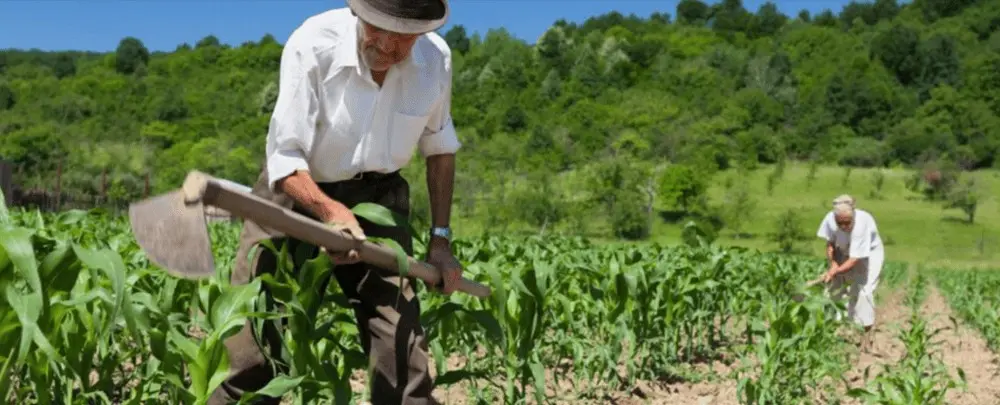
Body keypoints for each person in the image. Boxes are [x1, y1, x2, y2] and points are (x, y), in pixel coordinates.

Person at [208, 0, 462, 403]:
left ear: (423, 31)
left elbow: (440, 149)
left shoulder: (435, 61)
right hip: (294, 189)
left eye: (402, 37)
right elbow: (286, 158)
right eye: (377, 28)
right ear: (359, 13)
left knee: (401, 344)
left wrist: (441, 241)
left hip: (379, 197)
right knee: (253, 338)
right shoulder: (312, 44)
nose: (386, 45)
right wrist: (328, 211)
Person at [815, 194, 884, 353]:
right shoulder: (830, 220)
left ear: (853, 215)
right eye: (841, 223)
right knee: (834, 290)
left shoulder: (862, 224)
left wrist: (836, 271)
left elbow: (855, 258)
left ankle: (866, 337)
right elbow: (830, 244)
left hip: (867, 256)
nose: (844, 226)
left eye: (847, 223)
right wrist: (833, 264)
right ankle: (833, 331)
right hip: (843, 251)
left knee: (862, 291)